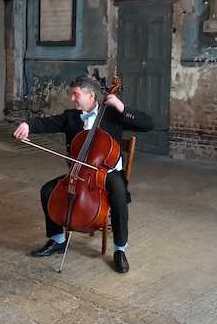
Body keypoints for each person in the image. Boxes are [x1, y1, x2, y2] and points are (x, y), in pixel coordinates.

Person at [13, 76, 154, 273]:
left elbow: (148, 124)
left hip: (109, 172)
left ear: (91, 95)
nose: (72, 99)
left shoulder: (112, 114)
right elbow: (47, 123)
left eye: (76, 94)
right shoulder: (71, 117)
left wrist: (122, 108)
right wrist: (28, 125)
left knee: (119, 197)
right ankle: (58, 239)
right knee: (47, 190)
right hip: (80, 173)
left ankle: (120, 250)